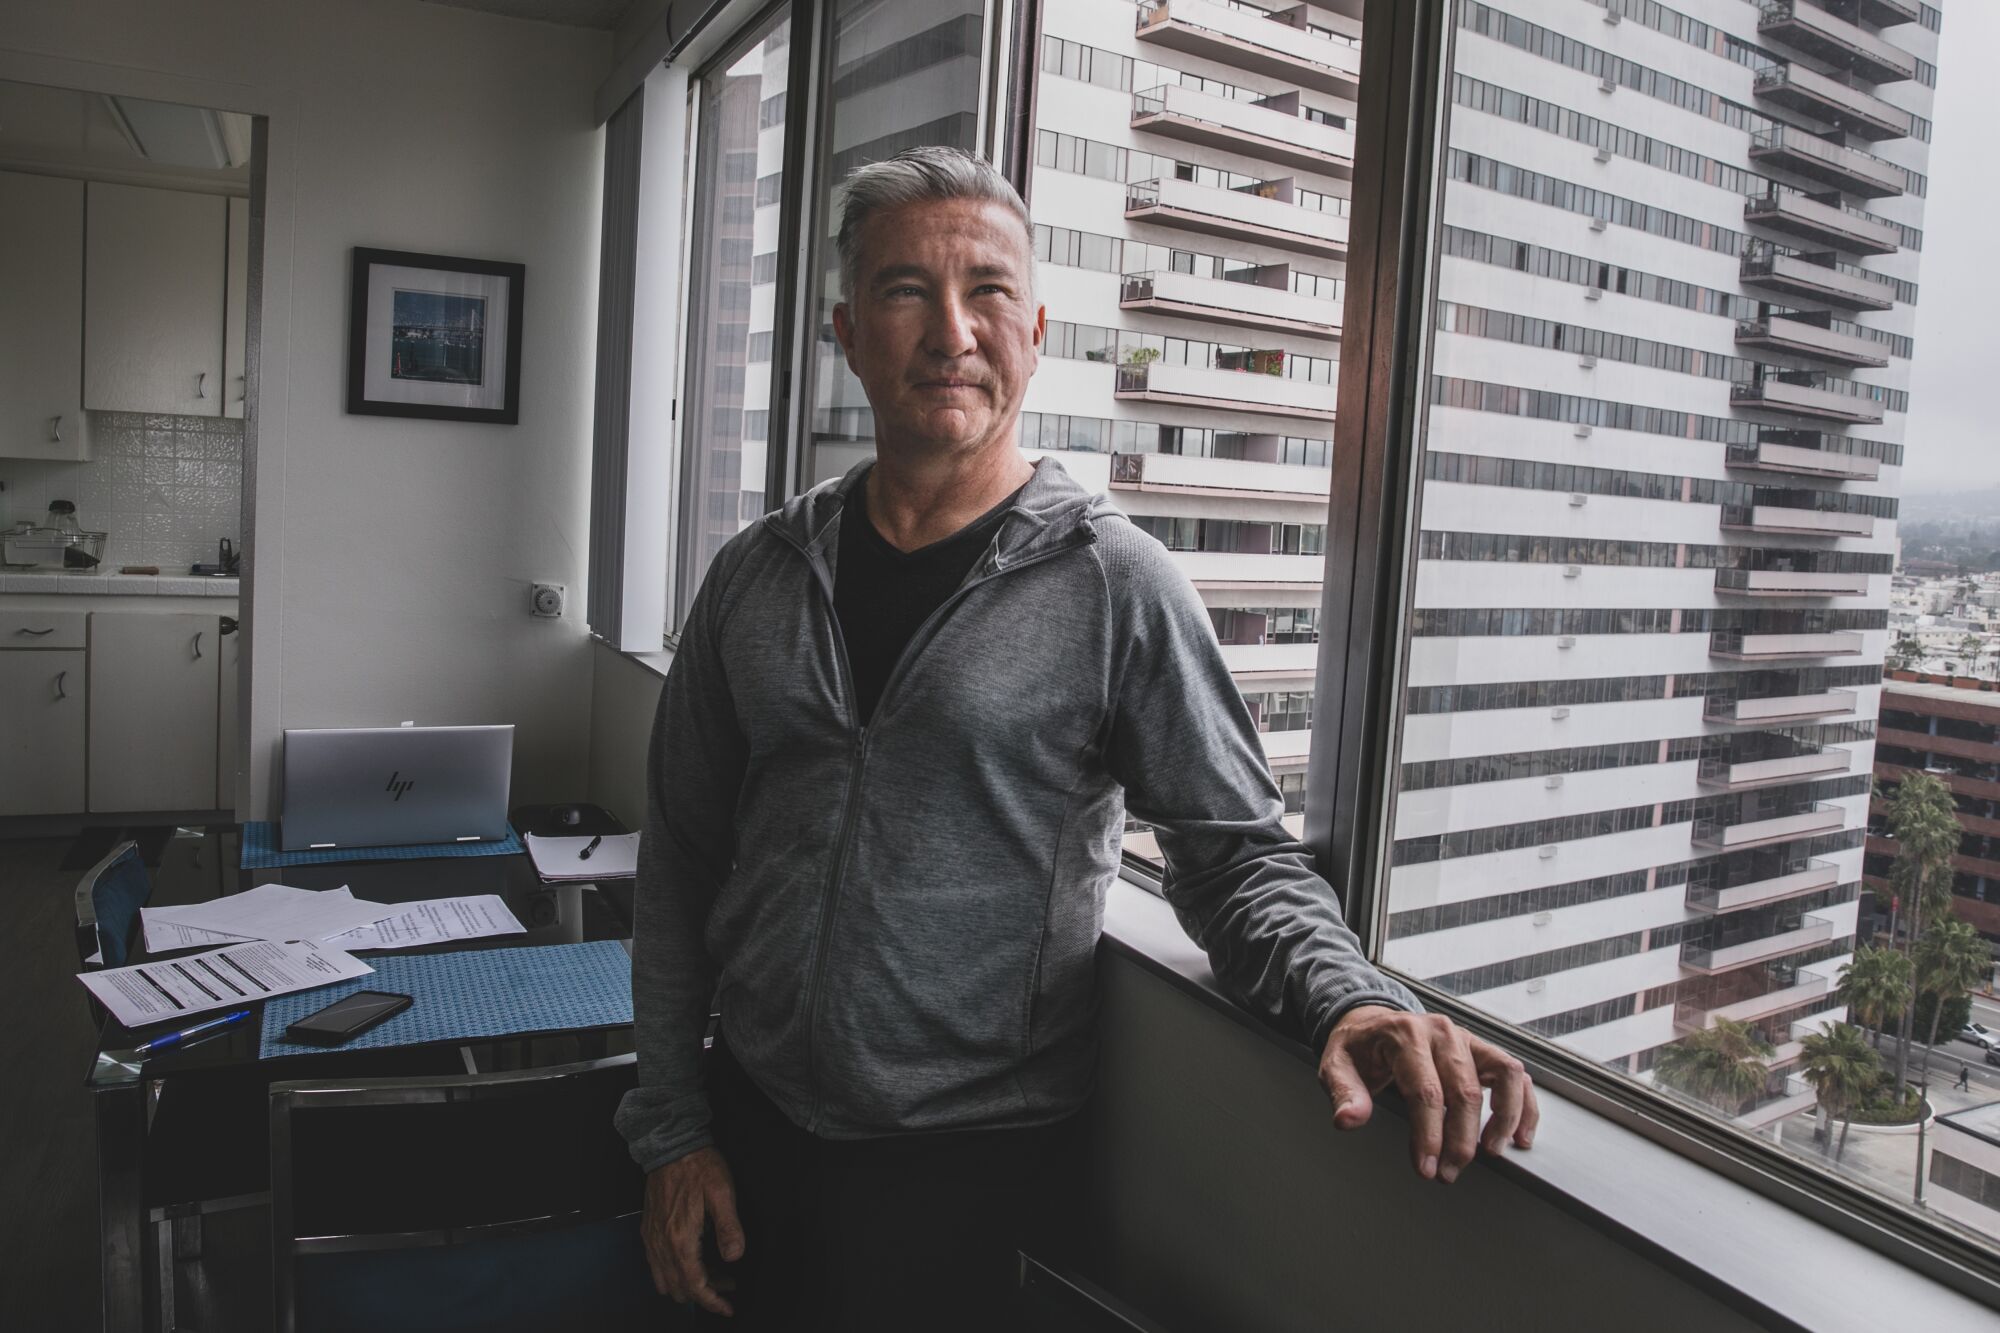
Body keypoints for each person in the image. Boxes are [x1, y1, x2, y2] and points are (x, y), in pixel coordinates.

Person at [615, 146, 1538, 1329]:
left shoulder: (1118, 583)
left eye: (987, 290)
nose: (951, 330)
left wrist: (1347, 996)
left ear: (1037, 328)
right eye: (905, 290)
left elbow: (1235, 855)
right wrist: (672, 1128)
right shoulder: (755, 574)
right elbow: (682, 858)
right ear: (846, 332)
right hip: (744, 1125)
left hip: (968, 1167)